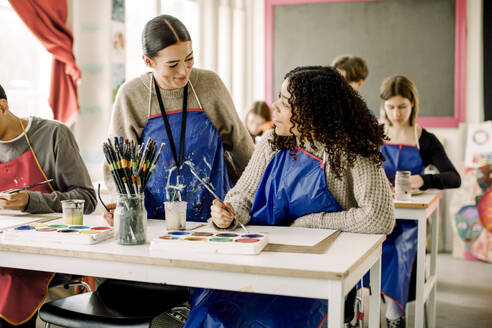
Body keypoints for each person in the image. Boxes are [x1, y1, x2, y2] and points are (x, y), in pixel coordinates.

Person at [183, 66, 395, 328]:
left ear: (312, 111)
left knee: (266, 321)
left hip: (319, 272)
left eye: (286, 102)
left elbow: (380, 217)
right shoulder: (272, 141)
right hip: (263, 260)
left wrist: (311, 222)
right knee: (213, 311)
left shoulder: (350, 150)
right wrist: (227, 214)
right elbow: (242, 197)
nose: (275, 106)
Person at [103, 15, 254, 224]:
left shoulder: (210, 85)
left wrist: (243, 204)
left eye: (189, 59)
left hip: (215, 221)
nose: (184, 71)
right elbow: (118, 167)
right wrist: (123, 207)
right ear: (148, 61)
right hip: (152, 222)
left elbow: (244, 152)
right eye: (172, 65)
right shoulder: (132, 95)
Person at [0, 83, 97, 327]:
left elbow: (87, 199)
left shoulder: (53, 134)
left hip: (50, 255)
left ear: (2, 106)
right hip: (6, 250)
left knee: (10, 279)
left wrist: (30, 201)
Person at [377, 75, 461, 327]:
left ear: (413, 104)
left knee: (398, 247)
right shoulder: (374, 135)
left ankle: (394, 316)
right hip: (378, 214)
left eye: (402, 106)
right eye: (390, 107)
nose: (396, 113)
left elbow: (454, 177)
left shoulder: (425, 139)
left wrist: (422, 180)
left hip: (408, 223)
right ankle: (352, 312)